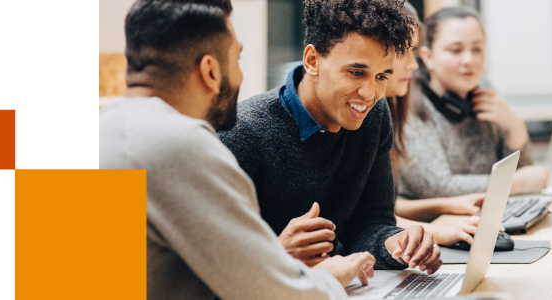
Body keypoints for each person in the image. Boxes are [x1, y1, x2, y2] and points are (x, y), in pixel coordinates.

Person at [105, 0, 373, 298]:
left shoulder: (100, 134)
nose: (241, 76)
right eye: (237, 59)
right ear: (210, 70)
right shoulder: (180, 145)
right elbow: (276, 294)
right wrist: (329, 278)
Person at [218, 0, 440, 273]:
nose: (369, 94)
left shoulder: (374, 116)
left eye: (381, 76)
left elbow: (370, 223)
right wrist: (278, 253)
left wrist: (397, 243)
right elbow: (212, 265)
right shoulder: (242, 134)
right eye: (356, 73)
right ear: (312, 61)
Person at [391, 6, 550, 223]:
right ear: (427, 57)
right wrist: (515, 184)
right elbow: (438, 186)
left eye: (477, 49)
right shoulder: (407, 100)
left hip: (485, 219)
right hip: (430, 228)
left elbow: (525, 174)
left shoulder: (484, 90)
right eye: (455, 50)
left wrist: (515, 125)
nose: (468, 60)